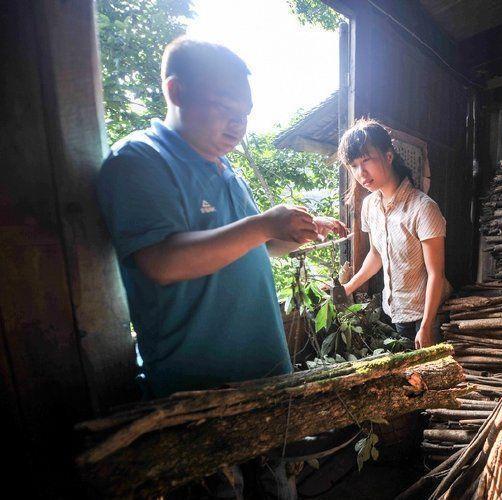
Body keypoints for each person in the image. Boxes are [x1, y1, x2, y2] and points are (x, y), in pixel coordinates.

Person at [97, 38, 344, 498]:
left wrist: (285, 237)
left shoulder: (225, 167)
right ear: (175, 91)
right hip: (198, 392)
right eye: (225, 107)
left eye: (245, 111)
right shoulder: (139, 160)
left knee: (276, 488)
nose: (239, 123)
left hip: (268, 377)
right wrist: (262, 224)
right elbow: (162, 261)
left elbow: (247, 248)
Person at [337, 119, 449, 349]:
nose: (361, 173)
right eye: (354, 165)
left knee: (429, 376)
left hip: (426, 313)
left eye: (366, 160)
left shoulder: (422, 208)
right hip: (396, 311)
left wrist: (427, 326)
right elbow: (376, 254)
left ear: (388, 156)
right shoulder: (369, 205)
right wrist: (348, 288)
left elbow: (436, 273)